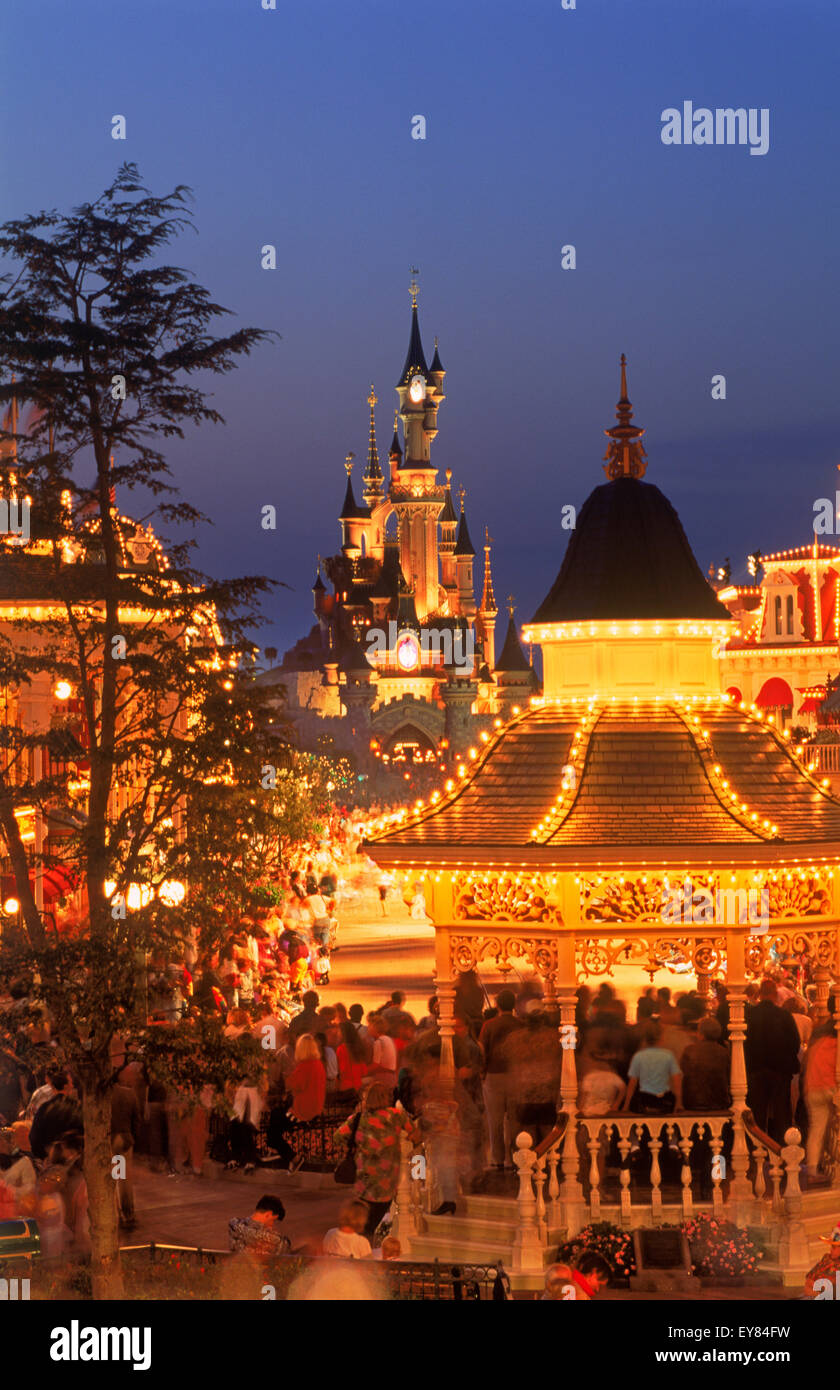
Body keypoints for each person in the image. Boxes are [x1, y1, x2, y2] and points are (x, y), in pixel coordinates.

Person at [334, 1083, 418, 1238]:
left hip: (364, 1182)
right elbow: (415, 1134)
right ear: (386, 1097)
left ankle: (358, 1249)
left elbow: (337, 1137)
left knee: (362, 1223)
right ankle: (364, 1249)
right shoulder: (396, 1115)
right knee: (372, 1224)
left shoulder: (358, 1119)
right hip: (386, 1183)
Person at [744, 978, 801, 1143]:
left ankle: (758, 1148)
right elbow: (794, 1042)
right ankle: (782, 1147)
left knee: (758, 1111)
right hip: (780, 1070)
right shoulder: (783, 1015)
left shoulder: (749, 1015)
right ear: (775, 994)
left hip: (755, 1069)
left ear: (760, 994)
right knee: (781, 1110)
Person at [479, 989, 524, 1169]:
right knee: (514, 1119)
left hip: (494, 1075)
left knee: (494, 1120)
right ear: (514, 1006)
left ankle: (497, 1158)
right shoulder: (520, 1024)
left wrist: (483, 1072)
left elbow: (483, 1051)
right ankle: (513, 1156)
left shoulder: (489, 1025)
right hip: (516, 1075)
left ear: (497, 1005)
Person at [803, 1018, 838, 1177]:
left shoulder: (817, 1044)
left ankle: (812, 1168)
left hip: (813, 1088)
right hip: (831, 1086)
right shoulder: (835, 1043)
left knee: (816, 1130)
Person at [622, 1022, 682, 1114]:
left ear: (645, 1039)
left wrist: (626, 1105)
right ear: (661, 1037)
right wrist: (679, 1103)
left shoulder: (639, 1056)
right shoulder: (668, 1055)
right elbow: (677, 1079)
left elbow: (632, 1082)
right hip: (664, 1100)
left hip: (644, 1100)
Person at [680, 1017, 730, 1111]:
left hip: (692, 1102)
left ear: (701, 1034)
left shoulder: (689, 1050)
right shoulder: (724, 1052)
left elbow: (683, 1073)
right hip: (719, 1103)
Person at [111, 1078, 140, 1230]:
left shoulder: (102, 1095)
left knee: (112, 1178)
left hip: (109, 1139)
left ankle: (116, 1212)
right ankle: (128, 1212)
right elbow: (137, 1119)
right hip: (124, 1139)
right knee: (124, 1178)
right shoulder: (129, 1094)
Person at [229, 1194, 291, 1260]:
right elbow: (284, 1246)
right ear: (268, 1214)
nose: (272, 1225)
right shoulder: (278, 1241)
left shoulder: (235, 1225)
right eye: (273, 1220)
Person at [287, 1034, 327, 1121]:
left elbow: (296, 1085)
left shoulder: (304, 1066)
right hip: (317, 1108)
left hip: (303, 1112)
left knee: (276, 1117)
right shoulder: (319, 1064)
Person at [368, 1014, 398, 1092]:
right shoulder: (388, 1039)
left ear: (374, 1027)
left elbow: (375, 1065)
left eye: (369, 1026)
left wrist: (362, 1072)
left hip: (383, 1078)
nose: (368, 1028)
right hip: (393, 1077)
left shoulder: (378, 1042)